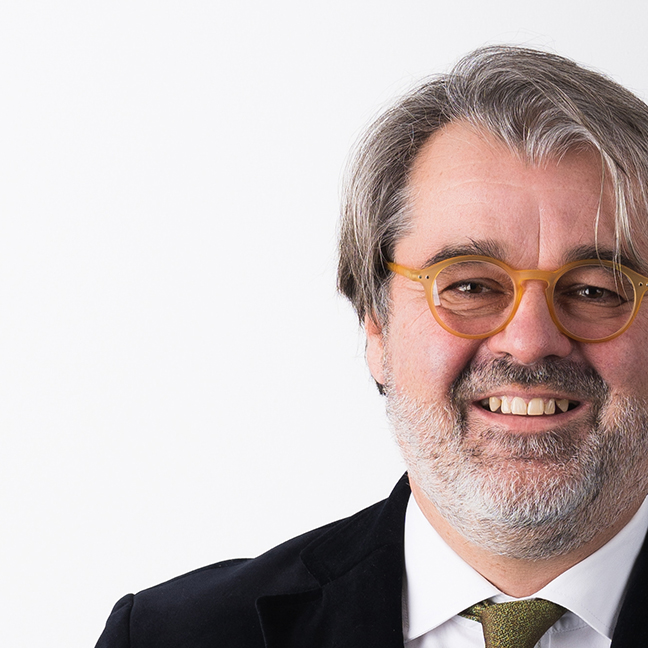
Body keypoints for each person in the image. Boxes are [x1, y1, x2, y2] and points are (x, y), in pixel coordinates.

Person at [95, 46, 648, 647]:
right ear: (376, 326)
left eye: (596, 290)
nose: (531, 340)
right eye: (468, 286)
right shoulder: (171, 637)